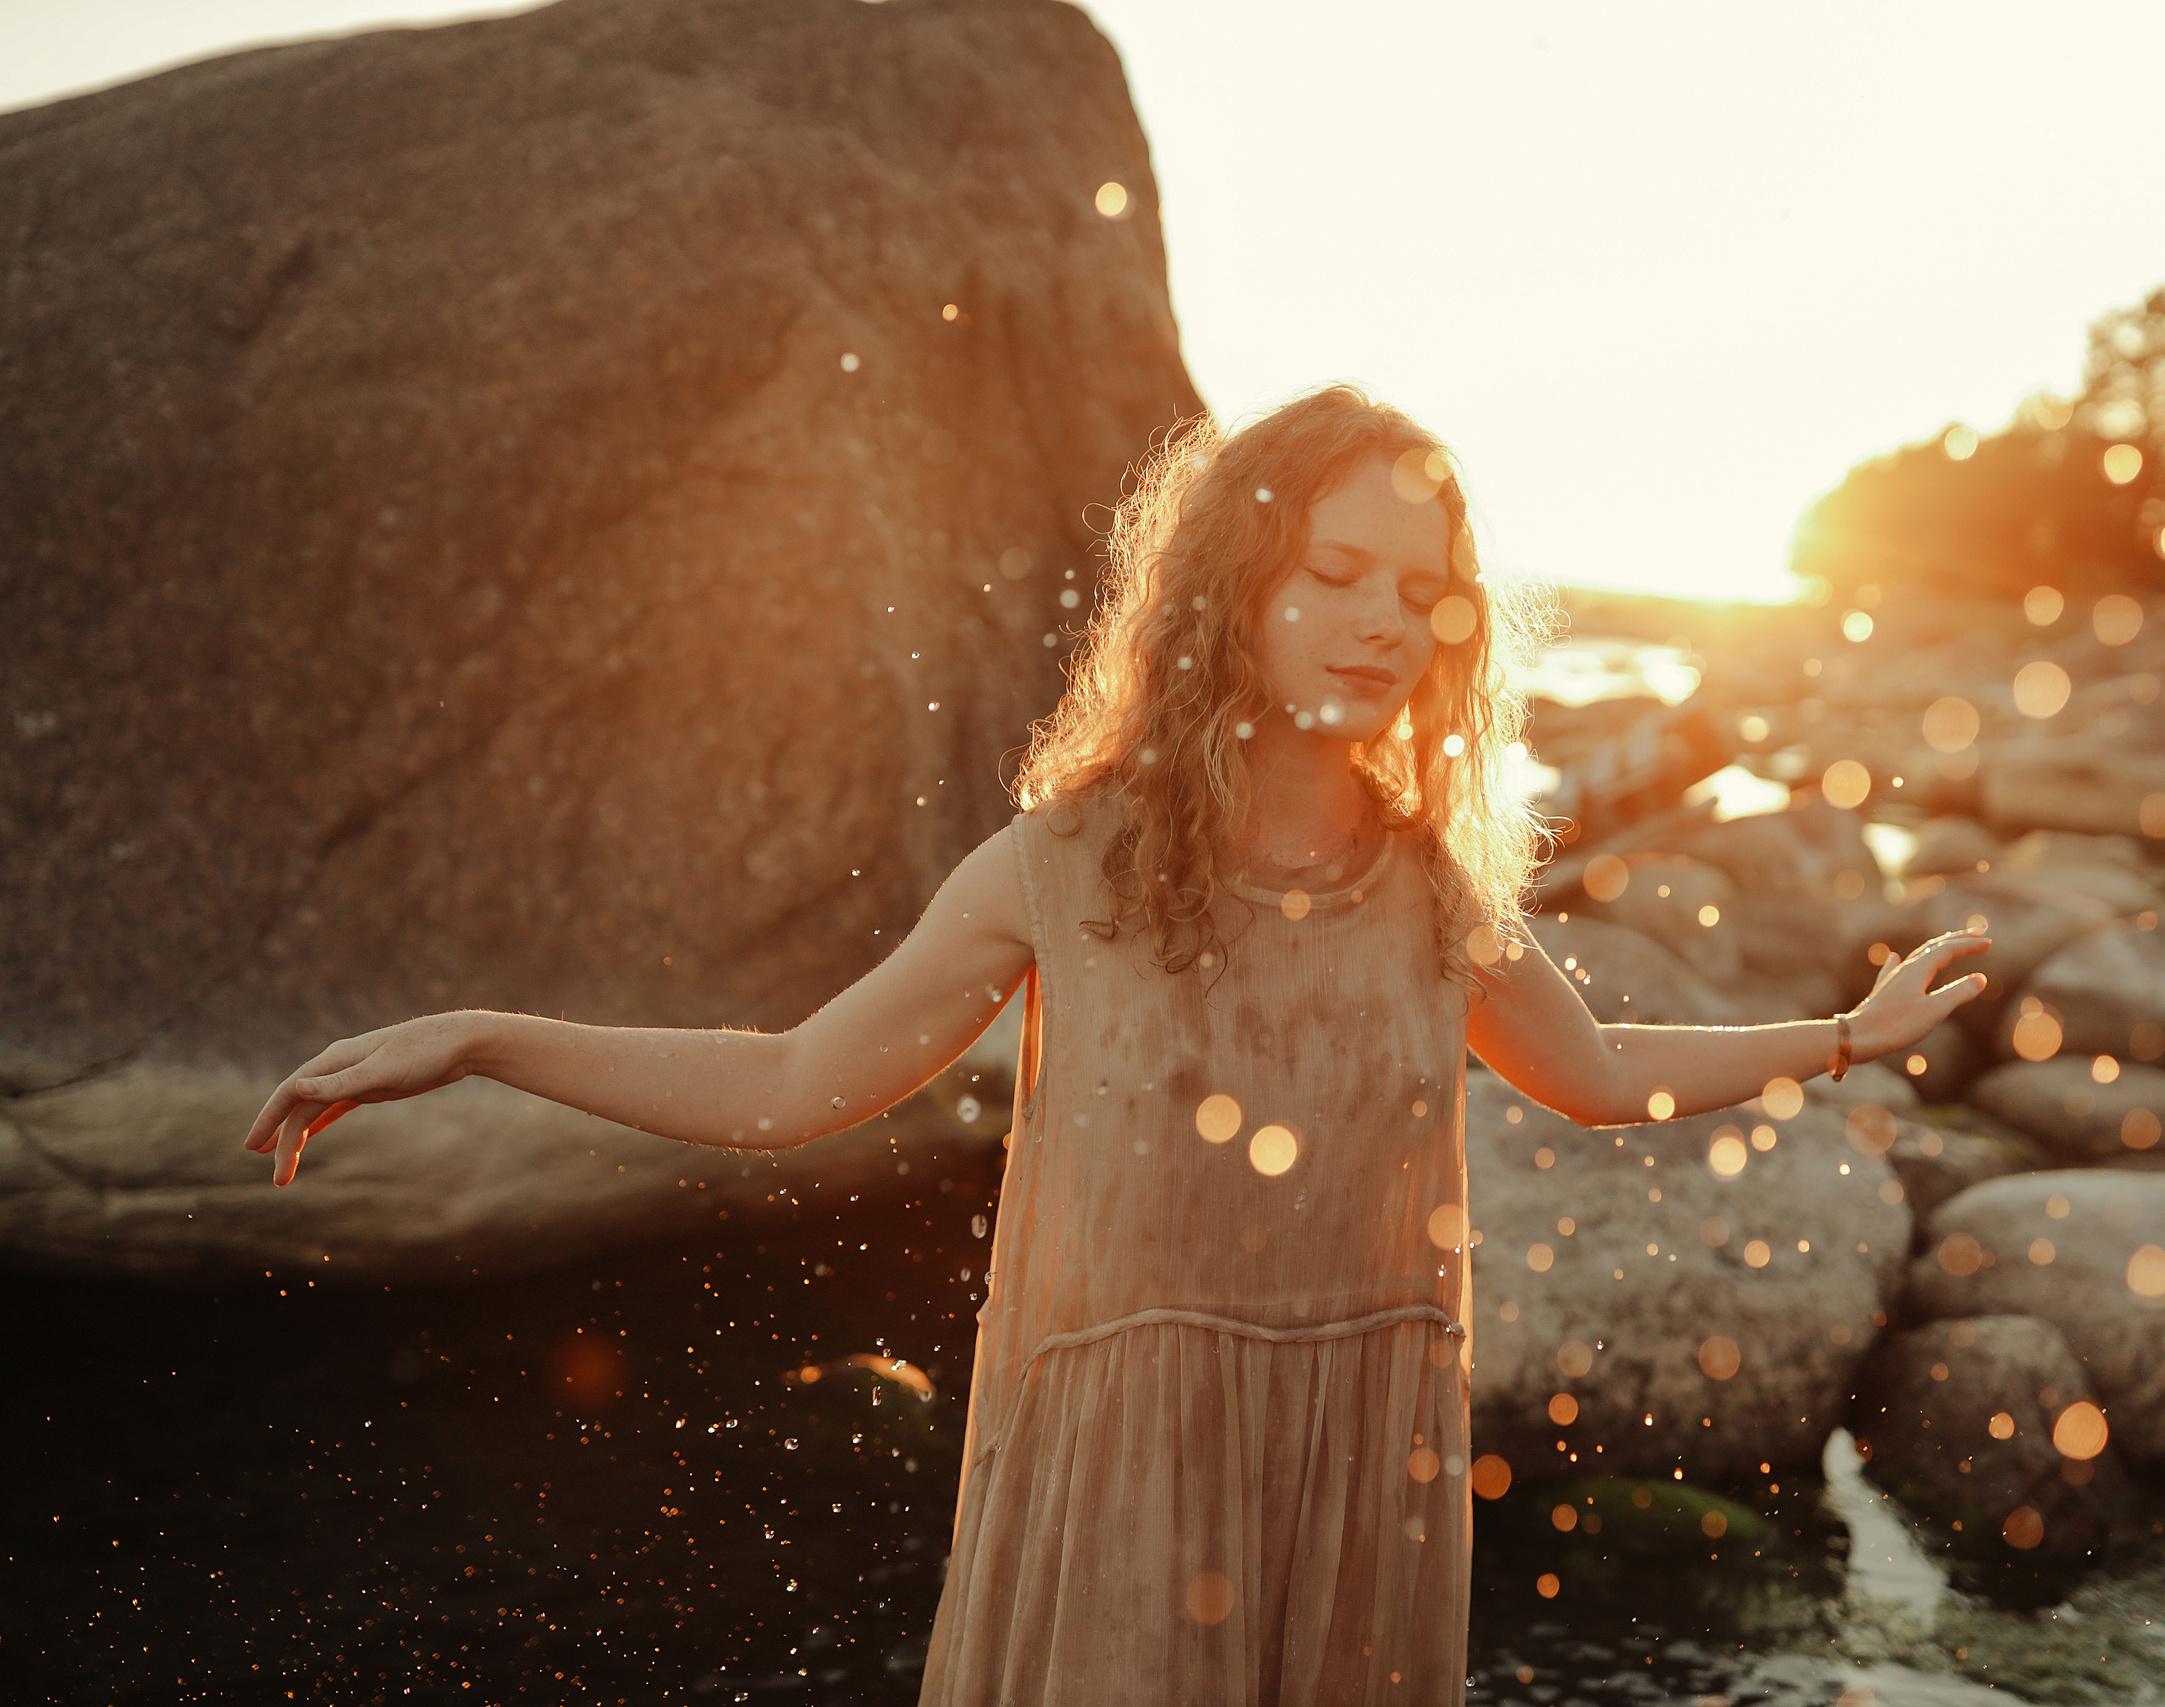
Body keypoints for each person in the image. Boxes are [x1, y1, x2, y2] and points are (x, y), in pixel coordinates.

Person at [243, 385, 1989, 1703]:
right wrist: (486, 1040)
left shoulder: (1430, 890)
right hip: (1124, 1481)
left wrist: (1846, 1034)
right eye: (1339, 572)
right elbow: (790, 1085)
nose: (1389, 621)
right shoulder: (1064, 864)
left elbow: (1595, 1075)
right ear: (1235, 583)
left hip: (1364, 1469)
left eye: (1423, 590)